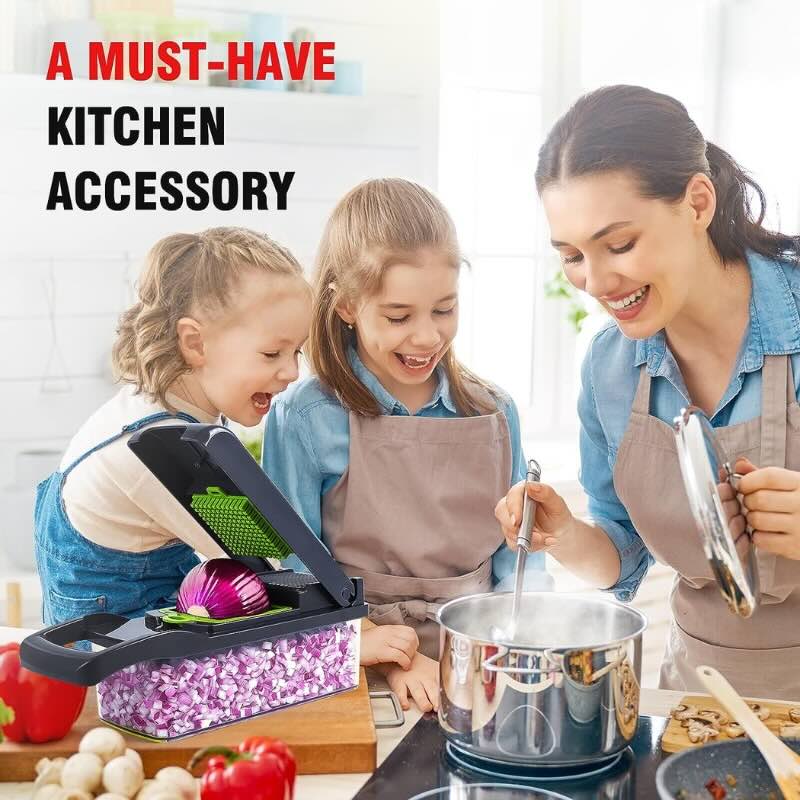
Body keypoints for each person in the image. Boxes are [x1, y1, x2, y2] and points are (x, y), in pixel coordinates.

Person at [495, 85, 800, 699]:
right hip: (701, 696)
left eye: (619, 244)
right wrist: (565, 535)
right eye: (572, 256)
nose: (597, 281)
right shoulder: (610, 370)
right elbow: (620, 557)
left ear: (697, 202)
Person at [263, 178, 551, 711]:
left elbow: (519, 557)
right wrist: (388, 652)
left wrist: (526, 633)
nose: (426, 337)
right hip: (356, 659)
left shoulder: (493, 412)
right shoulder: (305, 416)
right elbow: (292, 565)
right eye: (398, 317)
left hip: (485, 661)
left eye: (444, 309)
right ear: (347, 304)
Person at [35, 227, 311, 627]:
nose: (292, 372)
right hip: (124, 647)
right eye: (272, 353)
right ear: (195, 343)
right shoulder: (162, 451)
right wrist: (354, 635)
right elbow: (269, 567)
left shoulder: (151, 408)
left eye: (296, 351)